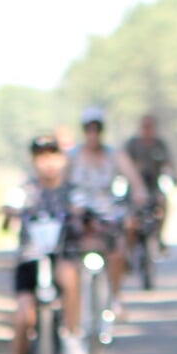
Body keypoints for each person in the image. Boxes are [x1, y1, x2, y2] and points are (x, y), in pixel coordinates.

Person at [0, 136, 86, 354]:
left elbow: (83, 211)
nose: (47, 162)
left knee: (69, 275)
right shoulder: (25, 190)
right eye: (41, 156)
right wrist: (10, 213)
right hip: (30, 260)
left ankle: (72, 335)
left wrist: (82, 216)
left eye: (52, 155)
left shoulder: (71, 191)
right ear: (34, 161)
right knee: (24, 317)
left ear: (62, 158)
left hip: (60, 256)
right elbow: (10, 209)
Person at [67, 106, 146, 314]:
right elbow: (58, 183)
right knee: (66, 257)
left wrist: (140, 193)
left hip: (108, 214)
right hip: (79, 215)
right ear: (84, 131)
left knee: (119, 247)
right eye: (88, 129)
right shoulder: (72, 156)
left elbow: (134, 180)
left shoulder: (114, 155)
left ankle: (115, 294)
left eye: (97, 129)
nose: (93, 134)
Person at [123, 112, 177, 253]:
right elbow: (123, 163)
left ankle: (159, 235)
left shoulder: (159, 144)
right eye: (144, 126)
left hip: (153, 186)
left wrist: (175, 176)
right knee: (128, 217)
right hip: (134, 190)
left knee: (163, 202)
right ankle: (127, 248)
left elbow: (169, 163)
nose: (147, 130)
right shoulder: (132, 144)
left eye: (150, 126)